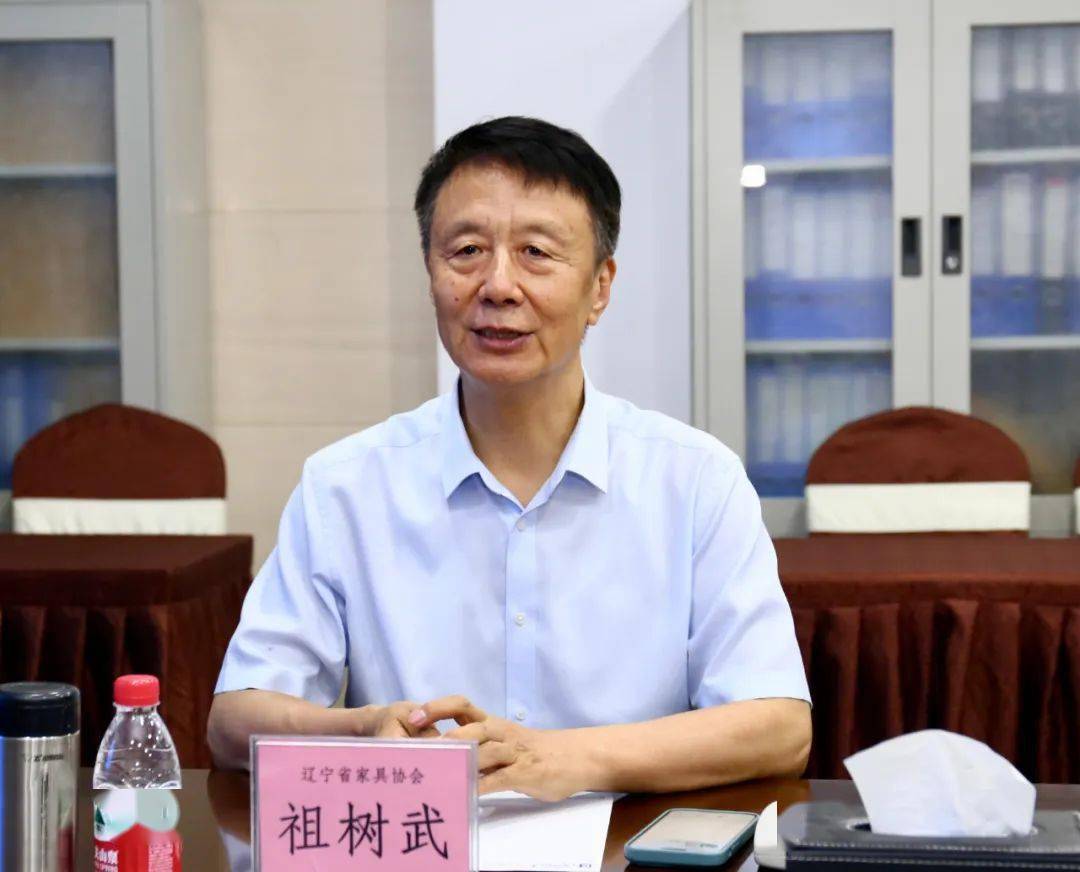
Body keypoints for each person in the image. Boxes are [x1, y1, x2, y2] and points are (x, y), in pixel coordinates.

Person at [208, 116, 811, 800]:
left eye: (536, 253)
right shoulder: (346, 485)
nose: (497, 286)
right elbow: (233, 723)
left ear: (600, 287)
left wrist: (564, 759)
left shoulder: (695, 480)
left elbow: (779, 727)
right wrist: (361, 729)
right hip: (426, 837)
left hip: (629, 841)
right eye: (467, 250)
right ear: (430, 272)